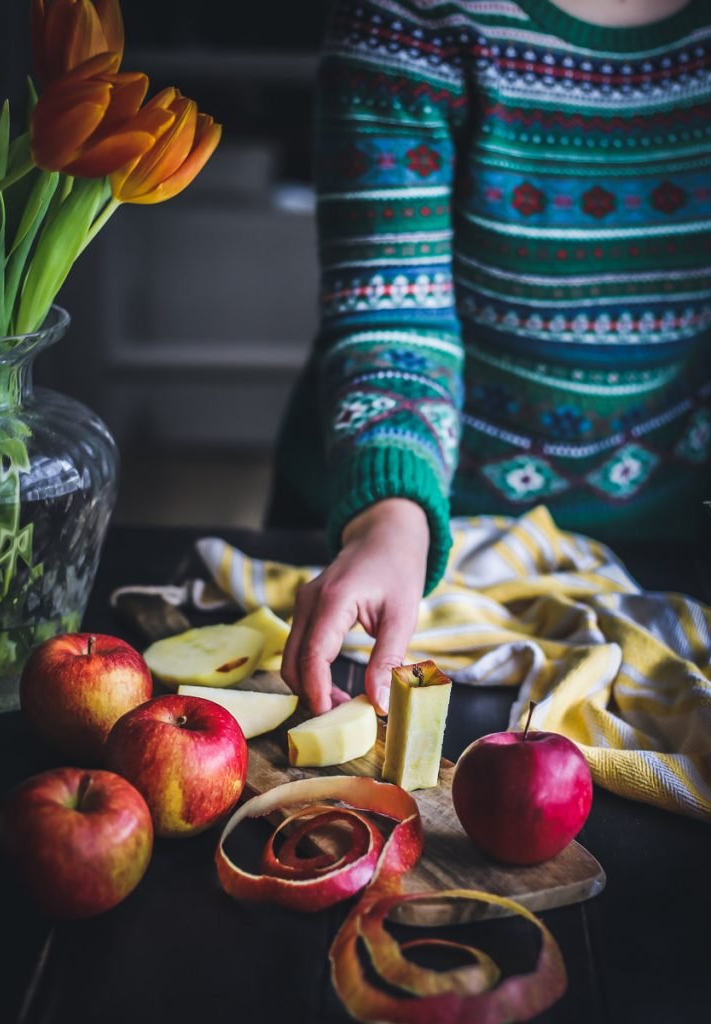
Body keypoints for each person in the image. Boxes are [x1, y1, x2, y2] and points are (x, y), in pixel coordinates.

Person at [269, 0, 711, 715]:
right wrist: (392, 519)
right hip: (404, 538)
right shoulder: (408, 13)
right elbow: (392, 305)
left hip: (667, 546)